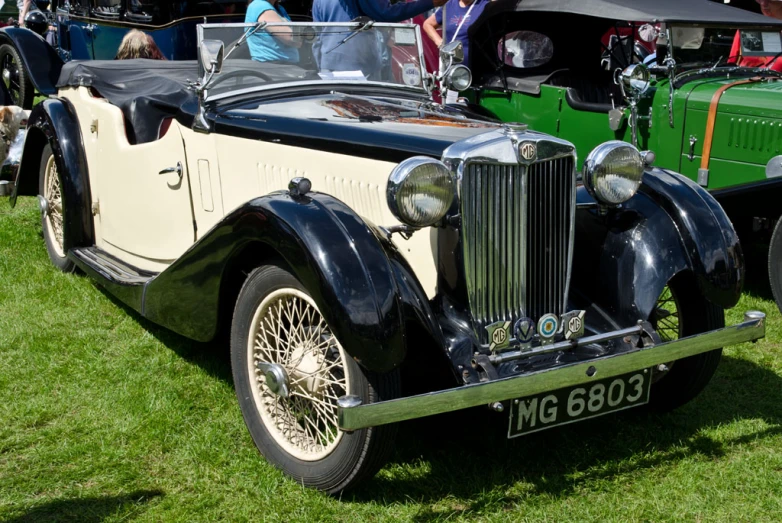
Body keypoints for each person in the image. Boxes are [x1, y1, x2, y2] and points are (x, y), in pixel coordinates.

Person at [311, 0, 445, 78]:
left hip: (327, 68)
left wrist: (322, 67)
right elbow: (387, 13)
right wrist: (431, 2)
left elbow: (317, 39)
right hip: (360, 69)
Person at [423, 0, 487, 102]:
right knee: (452, 107)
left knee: (473, 109)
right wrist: (439, 42)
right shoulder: (449, 5)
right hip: (452, 72)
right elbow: (428, 24)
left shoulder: (485, 5)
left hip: (476, 73)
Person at [727, 0, 782, 70]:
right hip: (746, 79)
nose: (763, 4)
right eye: (761, 0)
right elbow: (731, 64)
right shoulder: (749, 28)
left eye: (770, 1)